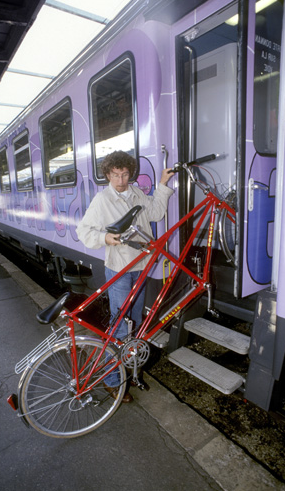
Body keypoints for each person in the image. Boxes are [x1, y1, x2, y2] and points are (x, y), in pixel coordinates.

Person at [76, 151, 174, 402]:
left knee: (133, 323)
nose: (121, 179)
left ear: (130, 173)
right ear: (108, 175)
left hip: (140, 266)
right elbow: (84, 231)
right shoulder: (102, 200)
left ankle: (130, 370)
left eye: (125, 174)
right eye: (115, 174)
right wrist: (105, 238)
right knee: (120, 327)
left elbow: (155, 214)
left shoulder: (136, 193)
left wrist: (162, 185)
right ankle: (112, 381)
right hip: (119, 270)